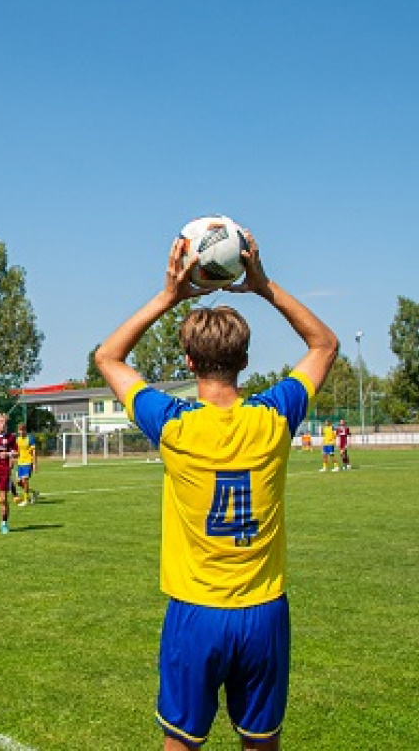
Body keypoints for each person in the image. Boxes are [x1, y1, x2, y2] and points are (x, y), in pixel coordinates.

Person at [95, 229, 337, 750]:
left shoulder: (173, 424)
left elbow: (108, 358)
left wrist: (168, 295)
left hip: (196, 612)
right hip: (265, 611)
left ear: (188, 362)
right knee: (261, 743)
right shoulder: (274, 418)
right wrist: (264, 286)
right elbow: (325, 344)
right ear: (245, 359)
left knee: (181, 743)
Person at [15, 423, 39, 505]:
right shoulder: (17, 439)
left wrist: (35, 464)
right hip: (20, 463)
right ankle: (34, 492)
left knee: (24, 480)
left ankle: (26, 500)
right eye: (19, 430)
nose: (21, 432)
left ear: (25, 430)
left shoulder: (30, 438)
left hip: (28, 462)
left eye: (22, 430)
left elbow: (34, 452)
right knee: (18, 482)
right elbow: (17, 451)